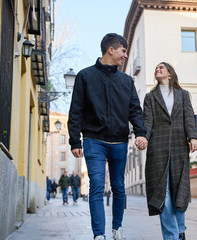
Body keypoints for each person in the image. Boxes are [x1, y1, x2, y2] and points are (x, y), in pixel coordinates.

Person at [68, 33, 147, 240]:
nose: (125, 55)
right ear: (111, 50)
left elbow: (135, 110)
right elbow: (76, 109)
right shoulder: (85, 76)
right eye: (123, 50)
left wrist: (140, 132)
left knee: (118, 186)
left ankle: (117, 228)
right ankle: (98, 234)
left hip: (119, 141)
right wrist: (75, 140)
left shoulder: (126, 81)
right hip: (93, 140)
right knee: (96, 185)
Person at [143, 62, 197, 240]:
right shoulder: (150, 97)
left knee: (178, 191)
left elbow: (188, 117)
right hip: (157, 148)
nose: (157, 69)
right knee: (163, 193)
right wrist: (143, 137)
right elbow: (147, 121)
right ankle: (172, 236)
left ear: (169, 73)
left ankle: (180, 230)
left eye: (161, 67)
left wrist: (193, 137)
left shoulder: (183, 95)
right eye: (156, 68)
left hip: (178, 147)